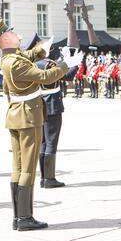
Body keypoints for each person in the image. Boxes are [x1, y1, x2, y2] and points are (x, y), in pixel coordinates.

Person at [0, 20, 83, 231]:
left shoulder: (9, 58)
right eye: (11, 32)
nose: (15, 33)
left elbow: (27, 56)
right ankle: (25, 217)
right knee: (28, 168)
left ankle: (18, 216)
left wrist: (42, 50)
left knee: (18, 167)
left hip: (17, 113)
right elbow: (44, 76)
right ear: (5, 39)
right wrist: (66, 65)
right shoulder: (15, 62)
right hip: (28, 115)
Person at [26, 34, 77, 189]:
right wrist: (74, 63)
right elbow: (67, 76)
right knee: (51, 142)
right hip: (52, 104)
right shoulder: (47, 64)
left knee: (42, 142)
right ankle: (49, 178)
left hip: (39, 103)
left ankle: (44, 177)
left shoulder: (32, 63)